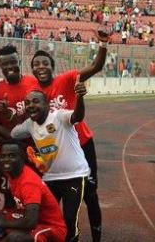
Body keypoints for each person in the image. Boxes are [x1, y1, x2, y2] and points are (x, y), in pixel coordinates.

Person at [30, 29, 110, 242]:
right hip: (56, 154)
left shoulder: (66, 79)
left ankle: (96, 238)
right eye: (36, 64)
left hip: (82, 145)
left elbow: (95, 67)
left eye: (45, 63)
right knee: (52, 201)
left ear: (52, 67)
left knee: (91, 196)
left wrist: (102, 43)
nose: (41, 67)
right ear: (32, 70)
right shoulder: (33, 92)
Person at [7, 86, 90, 242]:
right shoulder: (29, 124)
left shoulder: (59, 117)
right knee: (47, 217)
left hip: (74, 176)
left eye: (35, 101)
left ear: (47, 104)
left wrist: (80, 96)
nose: (30, 105)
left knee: (69, 218)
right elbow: (12, 134)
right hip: (50, 178)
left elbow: (77, 116)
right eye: (27, 103)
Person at [0, 140, 67, 242]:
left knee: (15, 238)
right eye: (3, 156)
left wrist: (2, 224)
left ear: (22, 158)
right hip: (26, 217)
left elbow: (31, 222)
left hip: (49, 227)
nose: (6, 160)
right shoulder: (12, 170)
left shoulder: (29, 183)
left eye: (11, 156)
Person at [0, 44, 38, 208]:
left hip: (35, 150)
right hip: (9, 152)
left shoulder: (33, 83)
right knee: (9, 196)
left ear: (19, 60)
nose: (9, 66)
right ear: (1, 66)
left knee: (34, 193)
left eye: (13, 62)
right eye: (5, 64)